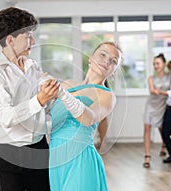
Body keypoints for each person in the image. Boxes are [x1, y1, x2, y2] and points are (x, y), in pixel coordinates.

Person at [0, 7, 59, 191]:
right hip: (10, 153)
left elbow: (44, 109)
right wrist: (40, 99)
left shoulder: (33, 66)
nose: (33, 41)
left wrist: (50, 97)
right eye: (27, 36)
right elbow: (6, 118)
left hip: (39, 147)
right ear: (10, 40)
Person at [49, 42, 122, 191]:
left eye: (113, 61)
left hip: (81, 160)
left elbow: (88, 118)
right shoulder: (68, 84)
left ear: (113, 71)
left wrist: (62, 94)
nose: (107, 61)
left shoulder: (107, 95)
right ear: (90, 58)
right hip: (55, 159)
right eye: (103, 54)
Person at [143, 53, 170, 168]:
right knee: (147, 128)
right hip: (151, 105)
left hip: (162, 105)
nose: (156, 66)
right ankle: (147, 156)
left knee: (162, 129)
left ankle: (164, 145)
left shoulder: (170, 77)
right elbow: (151, 90)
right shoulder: (151, 78)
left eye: (158, 63)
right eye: (154, 64)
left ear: (164, 64)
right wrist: (155, 90)